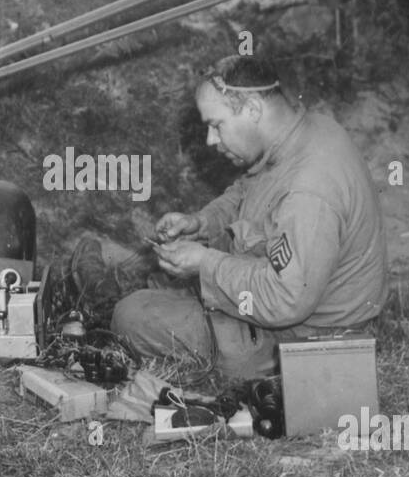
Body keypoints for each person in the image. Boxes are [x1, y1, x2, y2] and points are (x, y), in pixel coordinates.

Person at [110, 54, 388, 381]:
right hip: (297, 302)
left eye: (216, 125)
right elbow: (251, 189)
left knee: (130, 316)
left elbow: (285, 301)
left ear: (253, 109)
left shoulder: (310, 190)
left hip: (304, 337)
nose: (211, 140)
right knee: (160, 284)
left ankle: (227, 360)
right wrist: (202, 222)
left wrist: (206, 264)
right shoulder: (304, 132)